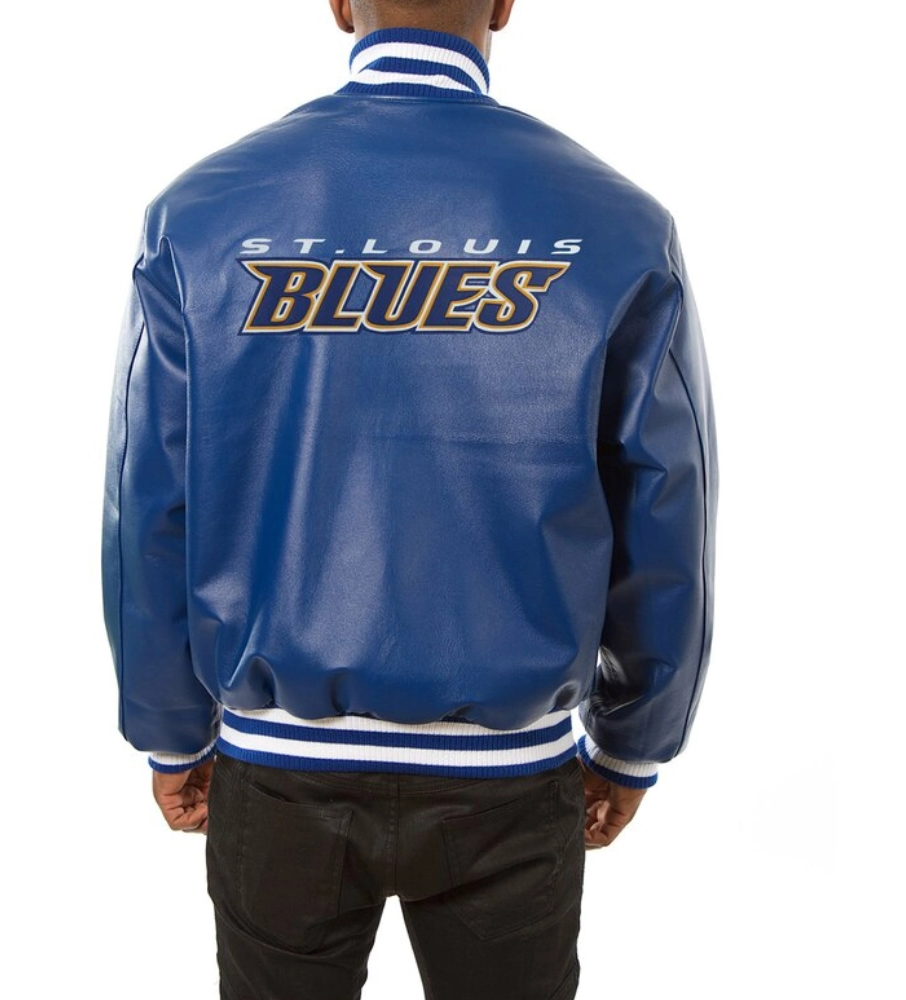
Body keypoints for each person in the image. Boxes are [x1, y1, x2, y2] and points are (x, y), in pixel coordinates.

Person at [101, 0, 718, 996]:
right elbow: (664, 505)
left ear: (340, 3)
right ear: (504, 4)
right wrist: (632, 742)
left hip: (279, 770)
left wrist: (168, 726)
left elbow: (151, 497)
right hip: (511, 780)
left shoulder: (198, 216)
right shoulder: (619, 225)